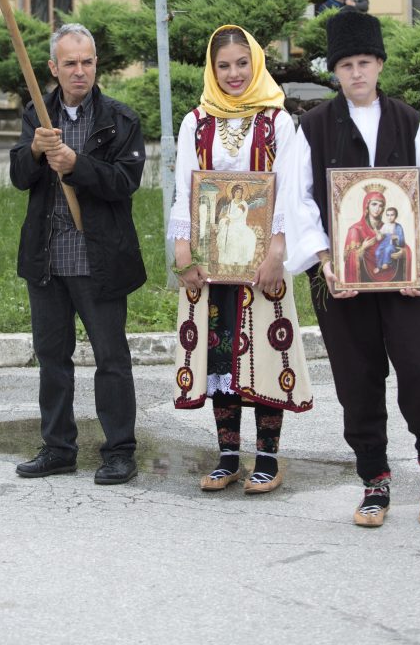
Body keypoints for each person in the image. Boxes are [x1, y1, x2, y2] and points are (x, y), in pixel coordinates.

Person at [285, 9, 420, 527]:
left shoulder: (406, 120)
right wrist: (323, 259)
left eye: (364, 62)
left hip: (405, 276)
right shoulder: (313, 126)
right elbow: (299, 199)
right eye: (346, 65)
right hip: (340, 278)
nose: (356, 73)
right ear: (334, 71)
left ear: (379, 64)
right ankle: (374, 482)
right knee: (357, 379)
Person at [169, 25, 313, 495]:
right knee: (219, 350)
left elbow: (289, 191)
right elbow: (185, 186)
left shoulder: (278, 121)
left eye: (241, 63)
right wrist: (183, 248)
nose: (234, 73)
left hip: (262, 260)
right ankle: (228, 456)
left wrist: (277, 251)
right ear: (212, 70)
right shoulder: (196, 122)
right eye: (223, 66)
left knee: (265, 351)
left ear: (256, 63)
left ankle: (267, 458)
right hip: (211, 260)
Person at [10, 23, 146, 486]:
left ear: (96, 64)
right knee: (52, 358)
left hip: (99, 259)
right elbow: (19, 177)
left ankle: (120, 451)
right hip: (47, 259)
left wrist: (76, 165)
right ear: (54, 68)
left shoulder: (120, 119)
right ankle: (57, 448)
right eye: (70, 63)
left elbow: (125, 182)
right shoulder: (37, 112)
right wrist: (33, 151)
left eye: (87, 62)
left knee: (111, 359)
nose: (80, 71)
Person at [215, 184, 257, 267]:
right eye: (237, 192)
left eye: (240, 192)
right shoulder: (232, 202)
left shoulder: (243, 204)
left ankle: (235, 260)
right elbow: (229, 213)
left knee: (235, 236)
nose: (238, 194)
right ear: (233, 192)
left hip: (240, 224)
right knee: (224, 228)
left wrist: (227, 217)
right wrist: (227, 219)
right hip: (231, 222)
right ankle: (226, 260)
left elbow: (237, 214)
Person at [372, 205, 407, 275]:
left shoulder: (398, 226)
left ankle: (385, 263)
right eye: (388, 215)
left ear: (396, 216)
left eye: (392, 215)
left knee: (388, 250)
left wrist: (396, 237)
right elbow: (380, 236)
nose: (389, 217)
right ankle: (379, 266)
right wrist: (377, 232)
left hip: (392, 244)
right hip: (384, 242)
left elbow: (402, 239)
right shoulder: (385, 225)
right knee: (377, 252)